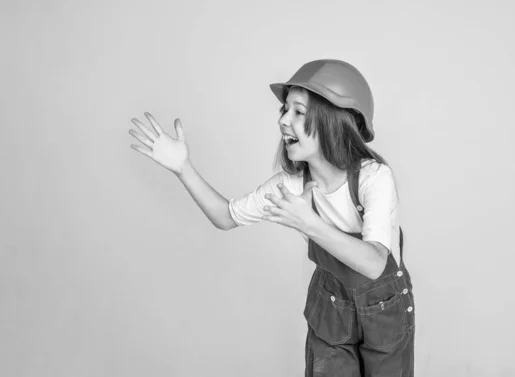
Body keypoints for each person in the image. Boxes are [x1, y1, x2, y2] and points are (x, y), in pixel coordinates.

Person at [129, 59, 415, 376]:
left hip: (384, 309)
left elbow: (375, 263)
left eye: (298, 112)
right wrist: (183, 168)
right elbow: (226, 216)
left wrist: (310, 223)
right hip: (331, 309)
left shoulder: (373, 178)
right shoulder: (289, 186)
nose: (283, 121)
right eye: (284, 110)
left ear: (332, 121)